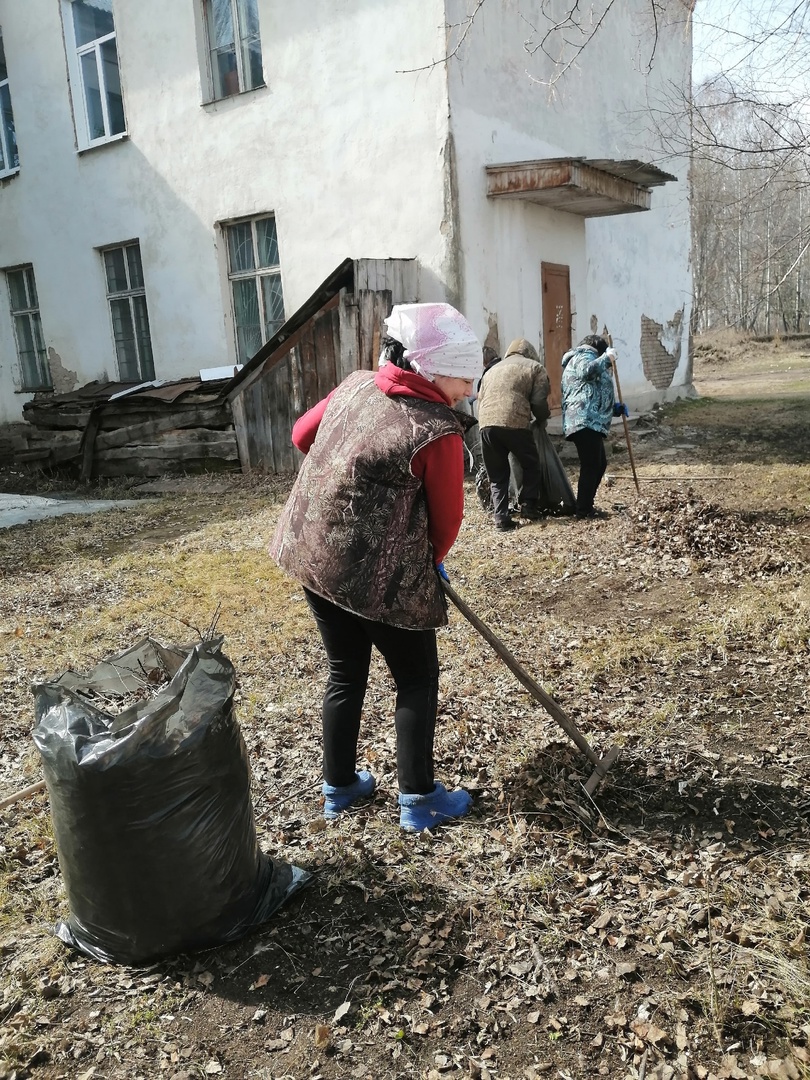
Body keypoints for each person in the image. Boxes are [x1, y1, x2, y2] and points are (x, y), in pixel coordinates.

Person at [270, 302, 481, 832]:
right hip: (376, 579)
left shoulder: (356, 384)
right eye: (464, 376)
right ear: (432, 368)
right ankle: (419, 799)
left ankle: (339, 788)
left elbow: (302, 435)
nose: (470, 389)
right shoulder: (436, 430)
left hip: (315, 559)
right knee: (415, 677)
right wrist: (425, 564)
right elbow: (447, 524)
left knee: (345, 671)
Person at [476, 337, 551, 530]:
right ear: (530, 353)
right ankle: (528, 506)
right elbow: (539, 402)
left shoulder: (491, 370)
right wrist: (542, 419)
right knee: (531, 463)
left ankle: (501, 518)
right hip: (514, 420)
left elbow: (481, 398)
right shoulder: (535, 367)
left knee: (497, 474)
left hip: (486, 424)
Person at [560, 334, 628, 519]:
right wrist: (607, 358)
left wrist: (613, 408)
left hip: (591, 420)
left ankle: (585, 506)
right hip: (584, 420)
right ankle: (583, 510)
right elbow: (586, 372)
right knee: (591, 465)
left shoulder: (588, 358)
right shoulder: (583, 356)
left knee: (598, 464)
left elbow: (592, 391)